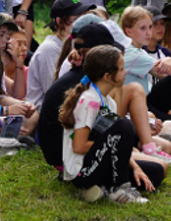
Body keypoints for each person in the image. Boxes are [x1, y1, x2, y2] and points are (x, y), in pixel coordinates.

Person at [59, 45, 163, 204]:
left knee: (156, 171)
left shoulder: (109, 102)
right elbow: (79, 146)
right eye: (121, 69)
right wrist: (114, 144)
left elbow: (114, 144)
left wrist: (136, 168)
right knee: (125, 126)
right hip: (82, 172)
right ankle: (118, 189)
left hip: (99, 161)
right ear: (107, 76)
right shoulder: (89, 101)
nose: (125, 72)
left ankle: (100, 189)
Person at [30, 0, 95, 109]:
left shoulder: (72, 46)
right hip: (43, 112)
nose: (83, 24)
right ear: (60, 22)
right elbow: (55, 92)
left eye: (84, 18)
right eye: (77, 19)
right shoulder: (50, 49)